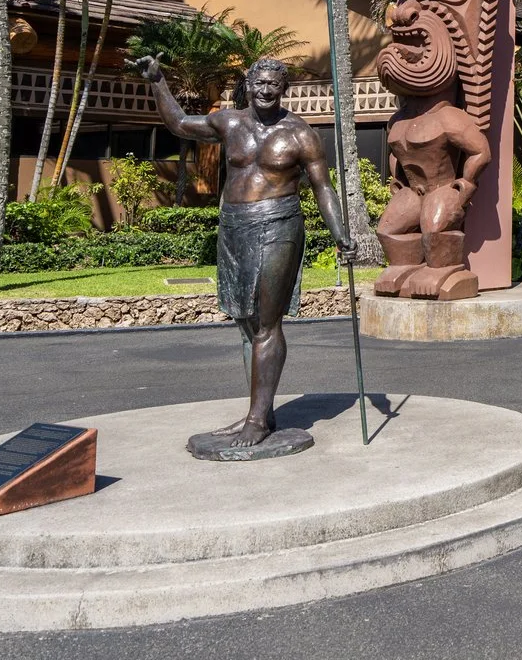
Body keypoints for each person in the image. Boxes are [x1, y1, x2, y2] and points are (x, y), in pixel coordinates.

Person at [131, 54, 367, 454]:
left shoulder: (300, 134)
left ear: (283, 89)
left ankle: (258, 421)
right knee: (245, 321)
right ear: (249, 83)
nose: (265, 90)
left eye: (274, 84)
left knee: (266, 324)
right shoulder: (229, 122)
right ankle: (261, 410)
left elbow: (322, 187)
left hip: (278, 224)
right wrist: (158, 82)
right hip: (234, 227)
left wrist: (341, 233)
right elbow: (178, 124)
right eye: (259, 83)